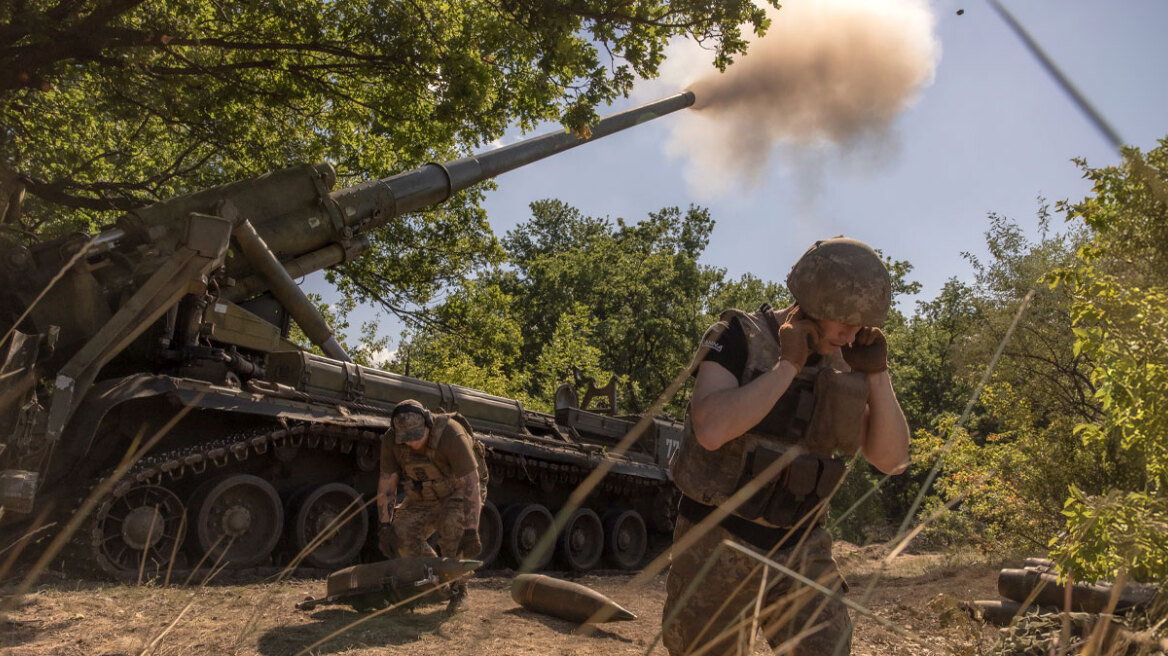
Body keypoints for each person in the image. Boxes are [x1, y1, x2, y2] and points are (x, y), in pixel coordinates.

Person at [662, 237, 911, 656]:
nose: (852, 334)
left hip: (800, 548)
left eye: (862, 325)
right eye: (844, 321)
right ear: (813, 299)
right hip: (717, 541)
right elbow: (711, 429)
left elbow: (893, 460)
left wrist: (878, 377)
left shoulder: (846, 362)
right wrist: (787, 367)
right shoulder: (739, 335)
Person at [377, 399, 485, 605]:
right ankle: (437, 584)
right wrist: (384, 527)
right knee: (401, 535)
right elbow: (387, 484)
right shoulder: (392, 441)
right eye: (406, 438)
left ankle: (459, 588)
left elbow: (472, 482)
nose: (412, 443)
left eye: (417, 436)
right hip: (424, 493)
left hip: (458, 491)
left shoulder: (451, 434)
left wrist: (471, 531)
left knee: (453, 529)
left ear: (427, 423)